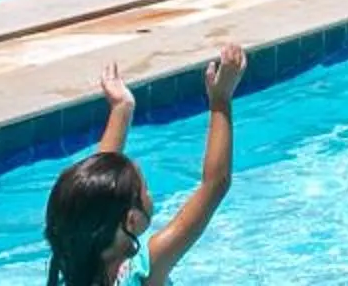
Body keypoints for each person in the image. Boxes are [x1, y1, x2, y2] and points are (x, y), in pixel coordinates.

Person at [44, 47, 245, 286]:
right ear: (131, 221)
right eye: (145, 189)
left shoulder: (73, 257)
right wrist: (221, 100)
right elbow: (215, 183)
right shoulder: (142, 272)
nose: (150, 193)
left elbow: (97, 187)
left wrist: (121, 109)